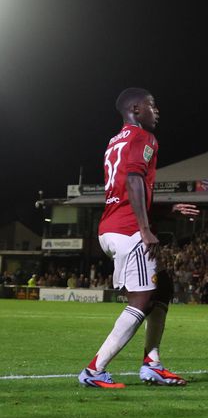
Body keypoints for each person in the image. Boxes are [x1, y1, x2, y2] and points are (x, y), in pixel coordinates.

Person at [79, 89, 199, 389]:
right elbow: (133, 180)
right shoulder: (144, 137)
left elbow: (125, 188)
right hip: (128, 230)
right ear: (136, 108)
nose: (156, 111)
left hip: (112, 226)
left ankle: (152, 363)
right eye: (151, 105)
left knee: (163, 286)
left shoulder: (114, 141)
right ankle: (95, 370)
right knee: (142, 299)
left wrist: (166, 208)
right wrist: (145, 229)